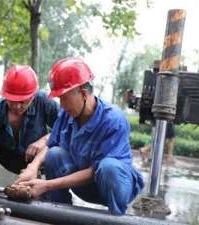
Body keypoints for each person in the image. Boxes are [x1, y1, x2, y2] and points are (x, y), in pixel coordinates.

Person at [15, 57, 144, 215]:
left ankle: (116, 218)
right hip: (85, 186)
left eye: (64, 98)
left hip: (113, 187)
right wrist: (32, 168)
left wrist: (46, 185)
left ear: (83, 93)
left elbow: (93, 172)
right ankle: (59, 214)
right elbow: (49, 146)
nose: (61, 105)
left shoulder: (113, 120)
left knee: (108, 167)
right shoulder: (67, 114)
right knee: (54, 154)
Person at [0, 65, 59, 185]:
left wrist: (45, 139)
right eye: (12, 101)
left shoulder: (43, 101)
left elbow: (65, 128)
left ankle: (48, 186)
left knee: (56, 147)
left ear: (33, 96)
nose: (17, 107)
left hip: (37, 159)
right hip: (8, 158)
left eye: (23, 101)